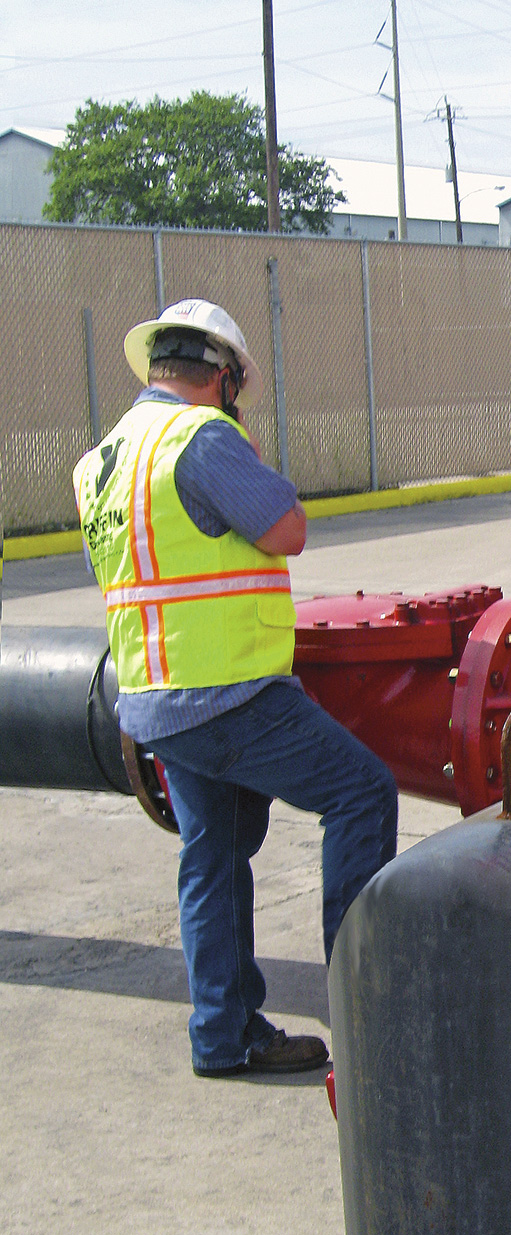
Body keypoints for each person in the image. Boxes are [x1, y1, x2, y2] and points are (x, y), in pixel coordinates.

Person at [73, 299, 398, 1078]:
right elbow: (287, 528)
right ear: (221, 380)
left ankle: (223, 1036)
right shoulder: (202, 437)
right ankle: (367, 1014)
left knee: (211, 855)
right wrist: (242, 447)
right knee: (362, 793)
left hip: (152, 701)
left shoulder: (102, 462)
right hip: (230, 693)